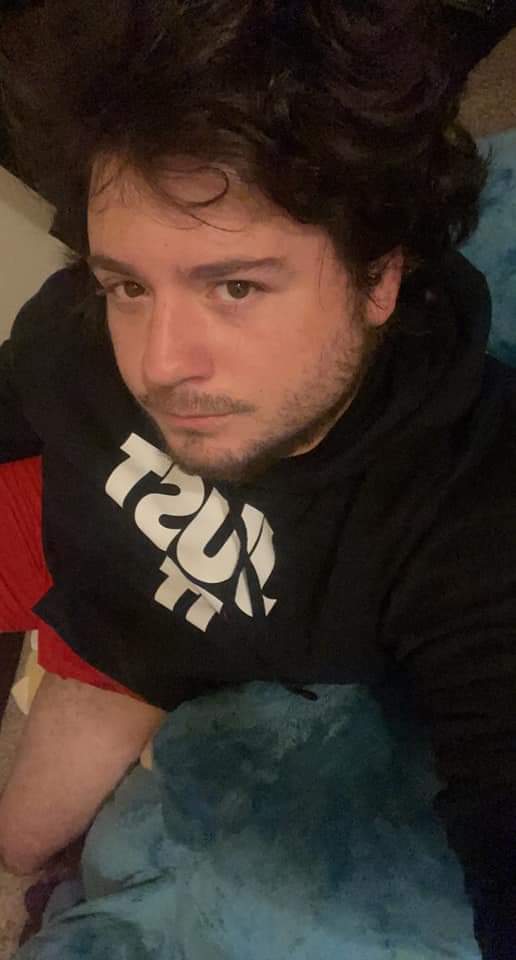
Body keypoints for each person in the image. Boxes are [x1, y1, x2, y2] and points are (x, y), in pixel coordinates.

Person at [0, 0, 514, 955]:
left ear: (378, 278)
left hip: (127, 642)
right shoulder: (85, 325)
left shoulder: (463, 506)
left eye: (234, 286)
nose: (159, 365)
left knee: (17, 842)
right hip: (59, 511)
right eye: (129, 285)